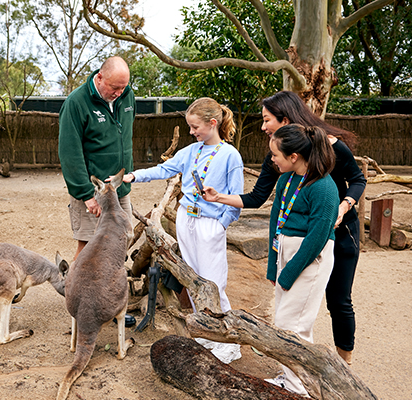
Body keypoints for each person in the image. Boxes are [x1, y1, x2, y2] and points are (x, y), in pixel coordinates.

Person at [202, 91, 366, 366]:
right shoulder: (279, 158)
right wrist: (219, 197)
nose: (263, 126)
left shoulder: (331, 147)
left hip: (338, 228)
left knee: (338, 300)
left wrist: (343, 205)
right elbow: (256, 198)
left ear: (286, 119)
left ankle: (344, 363)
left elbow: (357, 179)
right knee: (295, 309)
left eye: (267, 120)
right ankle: (299, 359)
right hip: (301, 234)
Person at [115, 97, 244, 363]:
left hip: (210, 224)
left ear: (212, 123)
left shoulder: (230, 155)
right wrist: (134, 176)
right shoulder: (191, 151)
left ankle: (228, 339)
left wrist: (221, 224)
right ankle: (206, 333)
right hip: (187, 220)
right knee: (193, 279)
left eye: (195, 126)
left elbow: (237, 197)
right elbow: (164, 169)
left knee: (213, 281)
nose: (191, 131)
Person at [260, 123, 338, 396]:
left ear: (294, 156)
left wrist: (289, 272)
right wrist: (274, 265)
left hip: (308, 261)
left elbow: (318, 237)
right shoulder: (286, 180)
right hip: (286, 255)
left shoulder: (324, 187)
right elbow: (275, 223)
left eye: (275, 155)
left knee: (292, 325)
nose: (272, 159)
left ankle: (298, 389)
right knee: (285, 322)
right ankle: (290, 379)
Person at [58, 56, 136, 327]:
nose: (119, 93)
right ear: (99, 77)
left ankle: (109, 303)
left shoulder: (127, 96)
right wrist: (85, 194)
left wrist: (126, 177)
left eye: (123, 88)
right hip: (94, 191)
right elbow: (69, 153)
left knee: (119, 243)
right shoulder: (77, 103)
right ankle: (77, 304)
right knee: (88, 244)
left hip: (119, 187)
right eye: (114, 88)